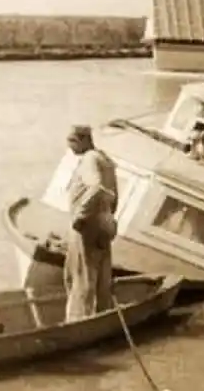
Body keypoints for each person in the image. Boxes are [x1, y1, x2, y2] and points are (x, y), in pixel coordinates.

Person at [63, 125, 119, 321]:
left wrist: (81, 215)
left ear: (85, 140)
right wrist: (108, 217)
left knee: (81, 277)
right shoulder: (106, 160)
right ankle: (103, 319)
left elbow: (96, 188)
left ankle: (77, 322)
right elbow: (114, 196)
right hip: (103, 224)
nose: (70, 147)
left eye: (73, 142)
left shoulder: (89, 160)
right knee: (102, 279)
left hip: (87, 226)